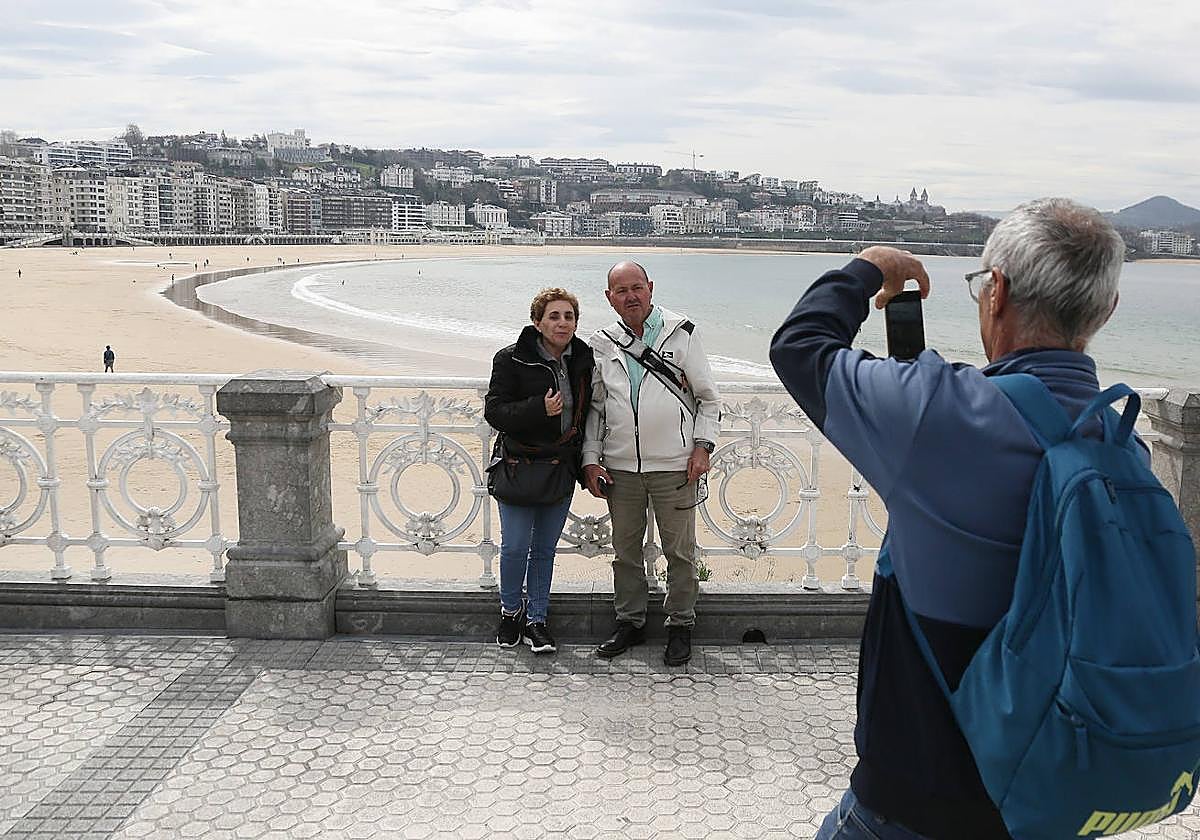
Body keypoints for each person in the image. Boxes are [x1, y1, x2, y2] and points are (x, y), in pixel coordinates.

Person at [769, 198, 1131, 840]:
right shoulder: (1123, 444)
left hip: (919, 799)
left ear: (995, 295)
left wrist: (866, 268)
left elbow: (800, 347)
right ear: (1105, 311)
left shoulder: (939, 413)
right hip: (1059, 797)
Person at [582, 262, 722, 666]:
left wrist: (702, 447)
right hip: (620, 468)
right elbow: (597, 409)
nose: (631, 296)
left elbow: (708, 398)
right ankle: (630, 622)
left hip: (676, 467)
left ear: (651, 288)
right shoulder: (602, 343)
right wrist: (592, 460)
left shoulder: (682, 334)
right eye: (621, 290)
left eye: (637, 287)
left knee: (680, 552)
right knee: (625, 551)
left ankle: (680, 626)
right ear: (609, 298)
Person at [484, 288, 595, 655]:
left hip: (560, 467)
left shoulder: (584, 357)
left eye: (569, 317)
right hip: (518, 465)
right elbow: (495, 412)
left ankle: (537, 620)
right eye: (554, 316)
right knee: (515, 547)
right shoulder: (511, 359)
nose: (562, 323)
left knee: (544, 550)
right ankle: (510, 612)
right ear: (538, 322)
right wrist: (537, 409)